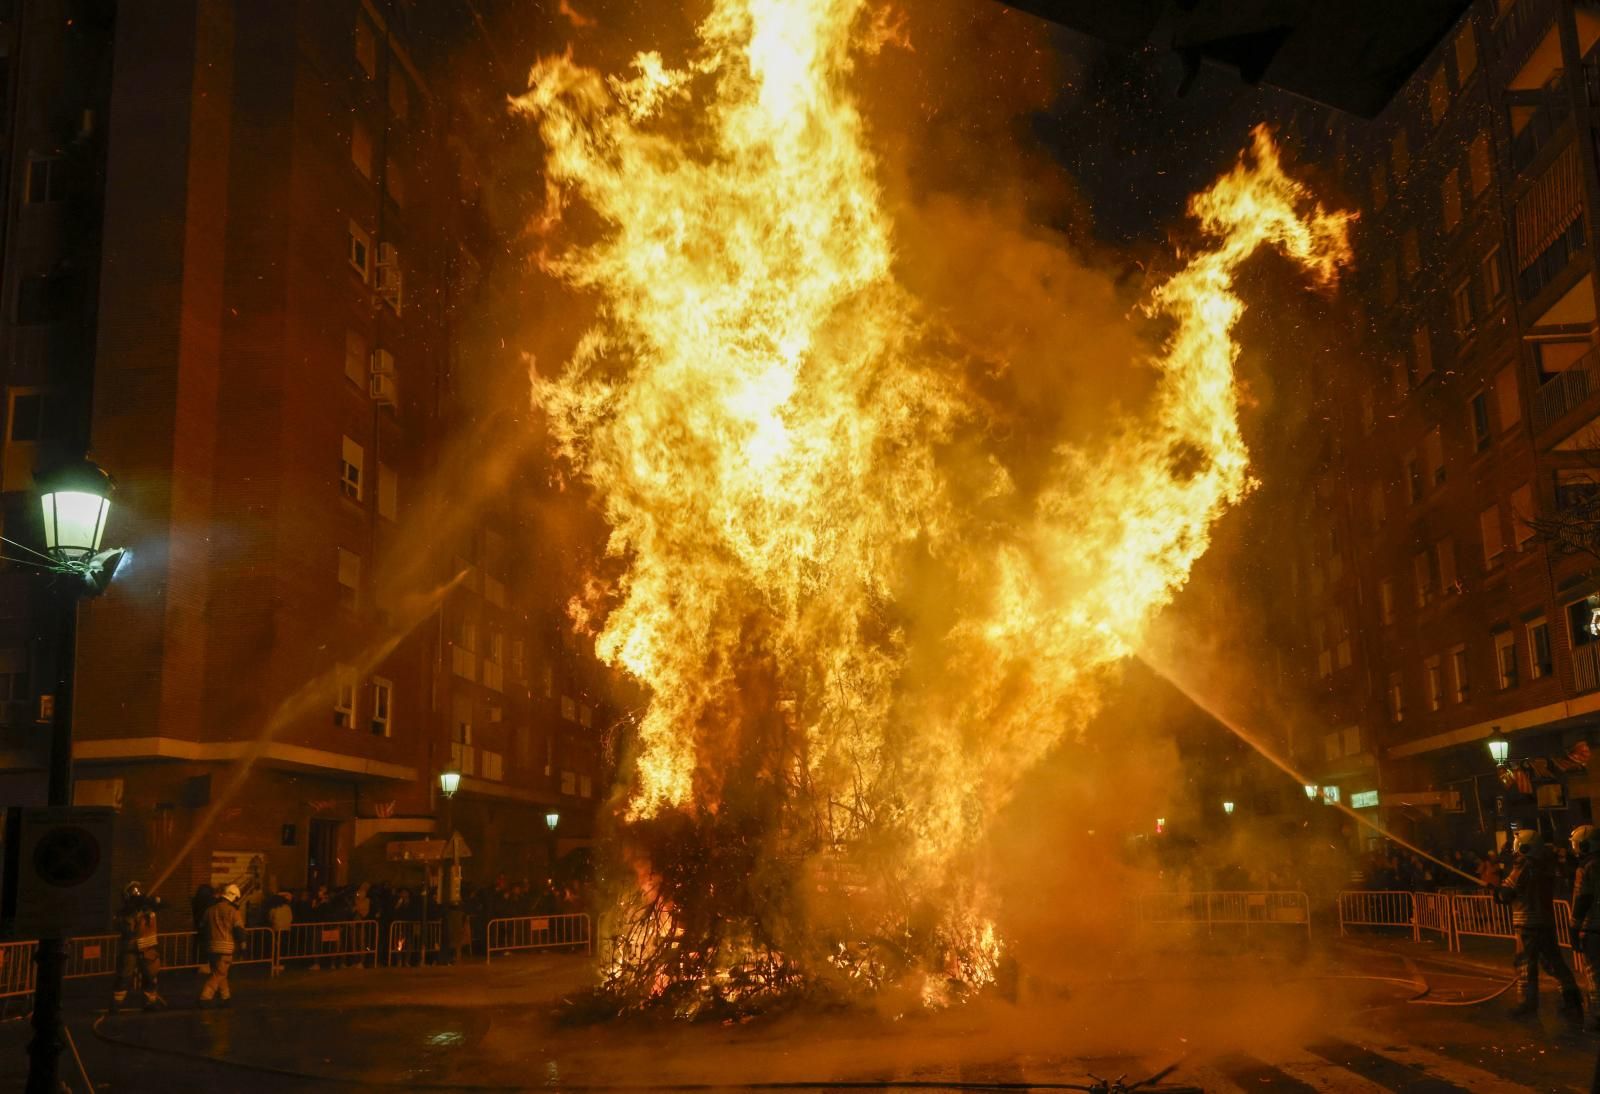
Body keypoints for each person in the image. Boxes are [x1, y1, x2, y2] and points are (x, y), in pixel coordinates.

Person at [1499, 828, 1583, 1019]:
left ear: (1525, 846)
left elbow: (1506, 893)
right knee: (1554, 962)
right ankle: (1572, 1001)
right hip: (1545, 922)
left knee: (1525, 963)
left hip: (1527, 922)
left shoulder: (1523, 865)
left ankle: (1527, 1004)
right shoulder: (1545, 866)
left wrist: (1498, 891)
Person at [110, 881, 165, 1013]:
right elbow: (126, 929)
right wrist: (131, 914)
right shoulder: (125, 913)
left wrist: (152, 903)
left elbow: (163, 904)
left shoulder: (149, 909)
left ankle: (150, 1002)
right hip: (131, 949)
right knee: (124, 976)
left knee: (150, 976)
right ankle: (116, 1003)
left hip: (148, 949)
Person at [198, 883, 246, 1008]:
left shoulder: (209, 910)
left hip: (211, 947)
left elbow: (202, 928)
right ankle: (205, 997)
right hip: (226, 948)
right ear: (234, 897)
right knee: (219, 974)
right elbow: (239, 930)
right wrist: (243, 945)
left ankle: (226, 997)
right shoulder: (233, 911)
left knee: (220, 972)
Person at [1571, 825, 1600, 1032]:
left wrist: (1574, 926)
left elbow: (1583, 898)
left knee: (1594, 974)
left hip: (1594, 929)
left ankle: (1597, 1016)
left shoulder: (1586, 867)